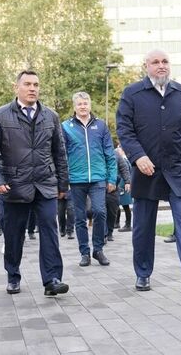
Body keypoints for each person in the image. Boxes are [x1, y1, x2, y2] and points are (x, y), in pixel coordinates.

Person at [116, 49, 181, 299]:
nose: (161, 66)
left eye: (165, 61)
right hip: (146, 170)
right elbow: (124, 130)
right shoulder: (132, 94)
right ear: (146, 66)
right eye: (155, 62)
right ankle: (143, 272)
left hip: (177, 168)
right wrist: (138, 157)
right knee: (143, 225)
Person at [0, 70, 70, 296]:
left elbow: (60, 152)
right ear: (17, 87)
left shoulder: (50, 116)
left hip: (45, 184)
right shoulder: (0, 116)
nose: (32, 88)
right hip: (13, 186)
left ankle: (52, 279)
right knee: (14, 234)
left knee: (50, 230)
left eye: (36, 85)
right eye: (28, 84)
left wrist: (62, 185)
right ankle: (13, 275)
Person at [62, 92, 117, 267]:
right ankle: (84, 252)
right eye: (79, 104)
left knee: (100, 212)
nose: (83, 106)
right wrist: (63, 180)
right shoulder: (66, 126)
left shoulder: (101, 126)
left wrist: (112, 178)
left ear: (90, 105)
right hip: (76, 179)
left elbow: (110, 153)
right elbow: (61, 155)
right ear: (74, 106)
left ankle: (98, 250)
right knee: (80, 217)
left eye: (86, 103)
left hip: (98, 177)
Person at [106, 144, 131, 242]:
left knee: (112, 211)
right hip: (99, 186)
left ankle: (110, 232)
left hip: (114, 187)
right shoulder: (97, 152)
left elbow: (124, 168)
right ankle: (103, 233)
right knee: (100, 211)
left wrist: (128, 181)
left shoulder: (116, 154)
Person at [116, 145, 133, 232]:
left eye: (118, 150)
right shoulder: (124, 159)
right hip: (122, 185)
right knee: (118, 204)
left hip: (123, 186)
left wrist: (123, 185)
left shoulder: (124, 160)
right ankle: (117, 222)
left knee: (125, 206)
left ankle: (128, 224)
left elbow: (126, 173)